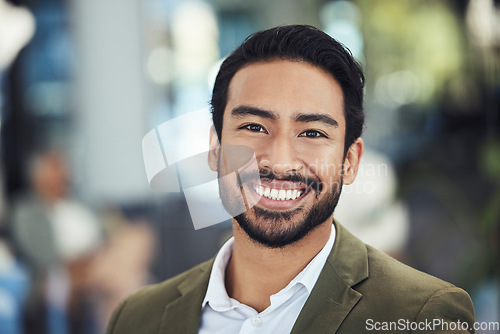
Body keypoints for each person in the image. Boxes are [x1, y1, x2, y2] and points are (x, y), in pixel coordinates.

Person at [106, 25, 475, 334]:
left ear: (349, 161)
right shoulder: (137, 318)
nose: (280, 162)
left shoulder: (423, 316)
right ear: (216, 148)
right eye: (253, 126)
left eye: (312, 133)